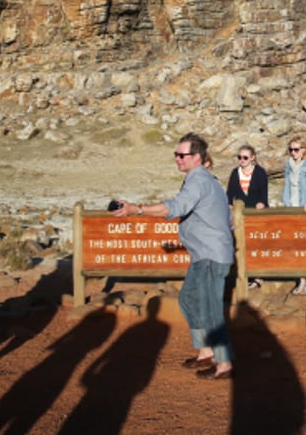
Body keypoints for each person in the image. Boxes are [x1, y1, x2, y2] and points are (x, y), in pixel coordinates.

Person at [115, 134, 235, 380]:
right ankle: (206, 352)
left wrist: (136, 210)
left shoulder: (199, 180)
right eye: (176, 155)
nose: (178, 159)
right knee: (189, 300)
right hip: (203, 254)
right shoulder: (205, 180)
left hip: (211, 255)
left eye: (182, 155)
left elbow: (174, 208)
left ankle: (224, 364)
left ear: (197, 158)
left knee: (212, 310)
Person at [283, 137, 306, 294]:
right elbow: (287, 185)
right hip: (292, 206)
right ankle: (301, 280)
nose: (293, 153)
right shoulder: (289, 165)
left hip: (305, 207)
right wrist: (285, 202)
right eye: (291, 149)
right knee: (296, 246)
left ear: (304, 149)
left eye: (296, 149)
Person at [226, 144, 269, 210]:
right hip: (240, 210)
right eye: (239, 157)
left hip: (258, 210)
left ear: (252, 157)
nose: (242, 160)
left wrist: (262, 202)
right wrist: (229, 203)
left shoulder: (260, 172)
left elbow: (264, 193)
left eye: (245, 157)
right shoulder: (235, 172)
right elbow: (230, 192)